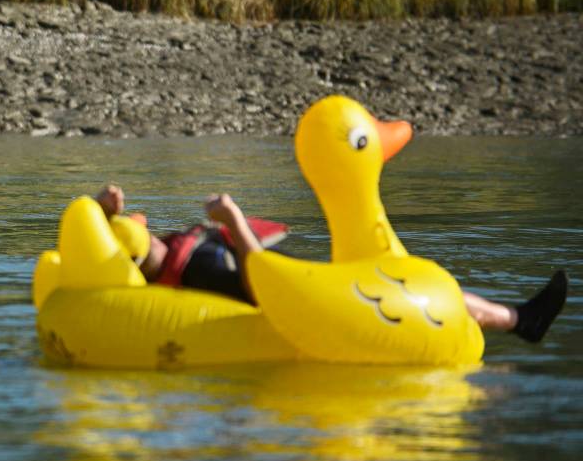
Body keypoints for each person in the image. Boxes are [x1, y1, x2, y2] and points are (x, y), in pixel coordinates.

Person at [94, 185, 568, 344]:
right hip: (309, 306)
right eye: (145, 235)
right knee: (423, 292)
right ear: (143, 261)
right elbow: (265, 286)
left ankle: (517, 321)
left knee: (412, 282)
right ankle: (519, 321)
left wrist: (103, 207)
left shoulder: (172, 257)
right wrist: (235, 221)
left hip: (311, 289)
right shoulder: (194, 272)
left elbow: (99, 243)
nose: (153, 233)